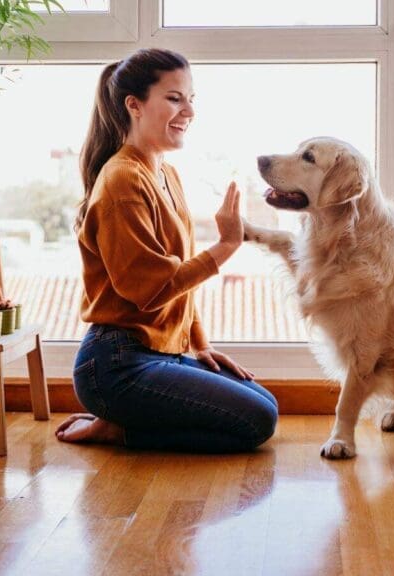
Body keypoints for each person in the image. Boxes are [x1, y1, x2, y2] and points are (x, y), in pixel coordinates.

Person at [55, 48, 279, 452]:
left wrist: (200, 344)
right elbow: (149, 290)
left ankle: (124, 421)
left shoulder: (165, 172)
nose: (189, 111)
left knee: (265, 403)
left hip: (160, 351)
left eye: (191, 99)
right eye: (175, 98)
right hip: (115, 364)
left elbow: (178, 285)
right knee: (257, 421)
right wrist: (227, 245)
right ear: (134, 106)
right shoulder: (122, 181)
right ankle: (117, 429)